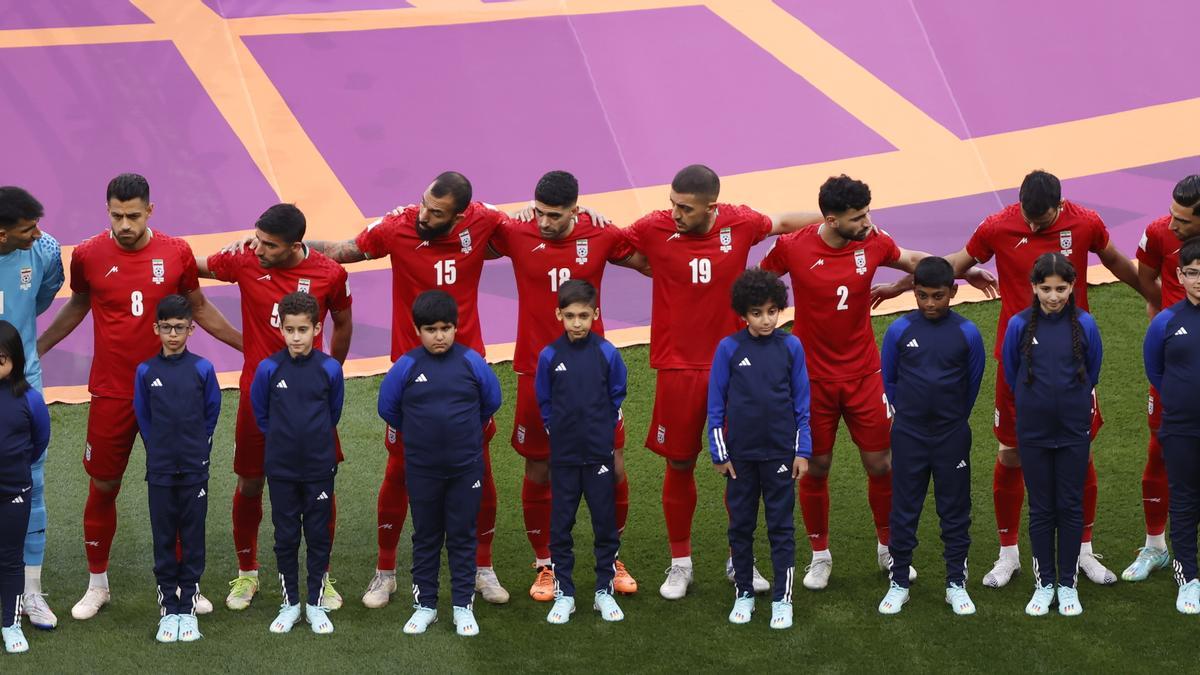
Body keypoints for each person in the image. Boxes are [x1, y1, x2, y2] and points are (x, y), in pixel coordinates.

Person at [875, 170, 1150, 588]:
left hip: (1071, 359)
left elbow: (1114, 261)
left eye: (1044, 219)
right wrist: (902, 284)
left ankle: (1083, 551)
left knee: (1081, 453)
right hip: (1017, 362)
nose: (1036, 225)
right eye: (1029, 216)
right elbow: (952, 265)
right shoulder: (998, 225)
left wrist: (1155, 296)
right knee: (1010, 455)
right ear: (1019, 202)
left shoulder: (1085, 222)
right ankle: (1008, 555)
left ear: (1060, 206)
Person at [760, 174, 994, 590]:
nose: (867, 222)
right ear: (831, 219)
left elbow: (912, 259)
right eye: (858, 217)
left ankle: (888, 547)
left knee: (881, 463)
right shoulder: (793, 248)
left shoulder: (873, 241)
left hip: (865, 375)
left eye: (867, 213)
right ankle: (819, 555)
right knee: (816, 466)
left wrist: (965, 270)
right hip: (811, 377)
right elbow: (759, 286)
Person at [298, 172, 510, 605]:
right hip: (410, 372)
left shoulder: (485, 221)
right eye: (424, 203)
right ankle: (385, 571)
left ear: (460, 214)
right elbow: (344, 251)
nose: (424, 214)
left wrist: (581, 216)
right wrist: (291, 247)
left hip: (468, 372)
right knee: (399, 471)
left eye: (436, 212)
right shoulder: (397, 226)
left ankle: (483, 569)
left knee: (481, 471)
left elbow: (530, 232)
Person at [37, 173, 240, 620]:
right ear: (106, 211)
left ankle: (186, 585)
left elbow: (199, 307)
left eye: (132, 215)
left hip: (171, 392)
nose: (124, 224)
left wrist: (250, 346)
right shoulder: (88, 254)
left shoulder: (177, 252)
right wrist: (36, 349)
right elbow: (78, 304)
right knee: (104, 484)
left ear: (151, 210)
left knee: (181, 487)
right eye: (116, 215)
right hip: (112, 390)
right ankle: (97, 584)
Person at [619, 163, 826, 599]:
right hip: (677, 367)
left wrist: (834, 218)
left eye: (685, 208)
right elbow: (611, 245)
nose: (675, 213)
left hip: (736, 366)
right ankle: (680, 564)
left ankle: (740, 562)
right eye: (672, 204)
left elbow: (784, 223)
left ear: (710, 206)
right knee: (679, 462)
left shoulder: (740, 220)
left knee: (743, 466)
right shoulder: (654, 226)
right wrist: (647, 264)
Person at [489, 170, 648, 601]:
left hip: (593, 374)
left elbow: (651, 261)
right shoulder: (515, 229)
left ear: (576, 210)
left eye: (555, 216)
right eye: (539, 212)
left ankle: (610, 556)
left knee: (611, 465)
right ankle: (546, 564)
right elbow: (466, 227)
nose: (544, 223)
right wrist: (505, 212)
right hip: (534, 373)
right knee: (539, 468)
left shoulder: (601, 233)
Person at [200, 203, 352, 611]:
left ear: (295, 246)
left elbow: (343, 320)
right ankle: (247, 573)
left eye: (270, 245)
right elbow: (191, 268)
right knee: (251, 481)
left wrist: (331, 371)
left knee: (319, 483)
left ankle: (320, 576)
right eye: (258, 239)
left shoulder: (330, 274)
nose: (259, 249)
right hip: (258, 395)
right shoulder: (244, 259)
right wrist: (243, 343)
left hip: (310, 399)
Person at [377, 290, 502, 637]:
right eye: (431, 329)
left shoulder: (472, 361)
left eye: (446, 328)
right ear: (418, 330)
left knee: (463, 537)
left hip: (466, 469)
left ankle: (463, 607)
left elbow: (491, 400)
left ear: (456, 327)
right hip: (422, 469)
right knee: (427, 536)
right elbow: (388, 408)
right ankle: (426, 606)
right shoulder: (407, 366)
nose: (439, 335)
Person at [876, 257, 985, 616]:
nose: (930, 304)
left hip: (952, 435)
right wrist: (910, 415)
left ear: (953, 292)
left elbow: (972, 385)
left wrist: (949, 419)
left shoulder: (967, 333)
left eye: (938, 296)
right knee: (904, 509)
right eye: (922, 296)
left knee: (954, 511)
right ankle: (899, 582)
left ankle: (956, 582)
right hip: (908, 434)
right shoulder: (898, 331)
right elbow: (889, 380)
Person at [707, 268, 811, 630]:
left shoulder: (791, 346)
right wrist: (720, 453)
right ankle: (745, 593)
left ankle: (783, 599)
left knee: (781, 527)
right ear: (743, 314)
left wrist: (803, 451)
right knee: (741, 526)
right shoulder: (729, 348)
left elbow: (802, 403)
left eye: (771, 311)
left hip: (782, 454)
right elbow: (716, 404)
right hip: (740, 459)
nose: (765, 320)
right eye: (756, 313)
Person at [1001, 253, 1101, 617]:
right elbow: (1012, 375)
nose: (1054, 296)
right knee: (1042, 508)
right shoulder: (1018, 325)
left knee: (1070, 506)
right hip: (1034, 434)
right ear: (1034, 287)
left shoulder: (1086, 325)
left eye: (1061, 288)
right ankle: (1045, 584)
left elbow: (1093, 371)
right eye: (1046, 288)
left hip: (1074, 432)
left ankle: (1068, 584)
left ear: (1073, 287)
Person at [250, 292, 344, 635]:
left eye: (303, 329)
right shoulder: (269, 369)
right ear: (281, 330)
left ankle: (316, 604)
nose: (296, 337)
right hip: (282, 470)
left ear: (317, 329)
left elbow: (333, 412)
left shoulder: (330, 369)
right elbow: (262, 415)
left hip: (320, 468)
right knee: (286, 536)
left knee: (318, 535)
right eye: (290, 330)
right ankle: (290, 604)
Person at [535, 280, 628, 624]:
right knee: (561, 526)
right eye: (571, 316)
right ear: (559, 314)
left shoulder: (607, 353)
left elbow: (618, 392)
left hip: (598, 455)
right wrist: (555, 429)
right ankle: (566, 593)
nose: (577, 323)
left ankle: (604, 591)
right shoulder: (549, 356)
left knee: (605, 524)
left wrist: (600, 429)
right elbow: (544, 400)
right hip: (564, 457)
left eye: (584, 316)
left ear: (595, 315)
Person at [133, 295, 221, 643]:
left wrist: (199, 448)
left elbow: (211, 412)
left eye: (179, 328)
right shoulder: (146, 371)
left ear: (191, 329)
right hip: (161, 471)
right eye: (166, 328)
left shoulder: (202, 369)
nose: (173, 334)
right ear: (156, 329)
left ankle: (188, 608)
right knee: (165, 539)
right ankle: (168, 609)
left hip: (195, 469)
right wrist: (159, 452)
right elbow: (144, 418)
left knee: (194, 538)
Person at [1125, 175, 1200, 581]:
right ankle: (1155, 546)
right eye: (1172, 214)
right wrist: (1166, 319)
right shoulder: (1157, 232)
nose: (1172, 225)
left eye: (1183, 221)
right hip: (1180, 356)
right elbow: (1146, 277)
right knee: (1160, 448)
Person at [0, 186, 63, 629]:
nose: (37, 234)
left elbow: (43, 296)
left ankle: (31, 591)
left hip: (24, 385)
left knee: (31, 482)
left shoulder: (43, 250)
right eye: (27, 229)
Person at [1143, 238, 1200, 613]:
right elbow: (1155, 370)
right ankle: (1189, 580)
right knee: (1184, 502)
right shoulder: (1166, 321)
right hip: (1181, 429)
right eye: (1193, 273)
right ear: (1180, 275)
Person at [0, 321, 50, 653]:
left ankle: (11, 623)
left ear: (15, 359)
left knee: (10, 560)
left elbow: (39, 440)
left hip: (14, 493)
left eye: (0, 358)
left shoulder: (30, 400)